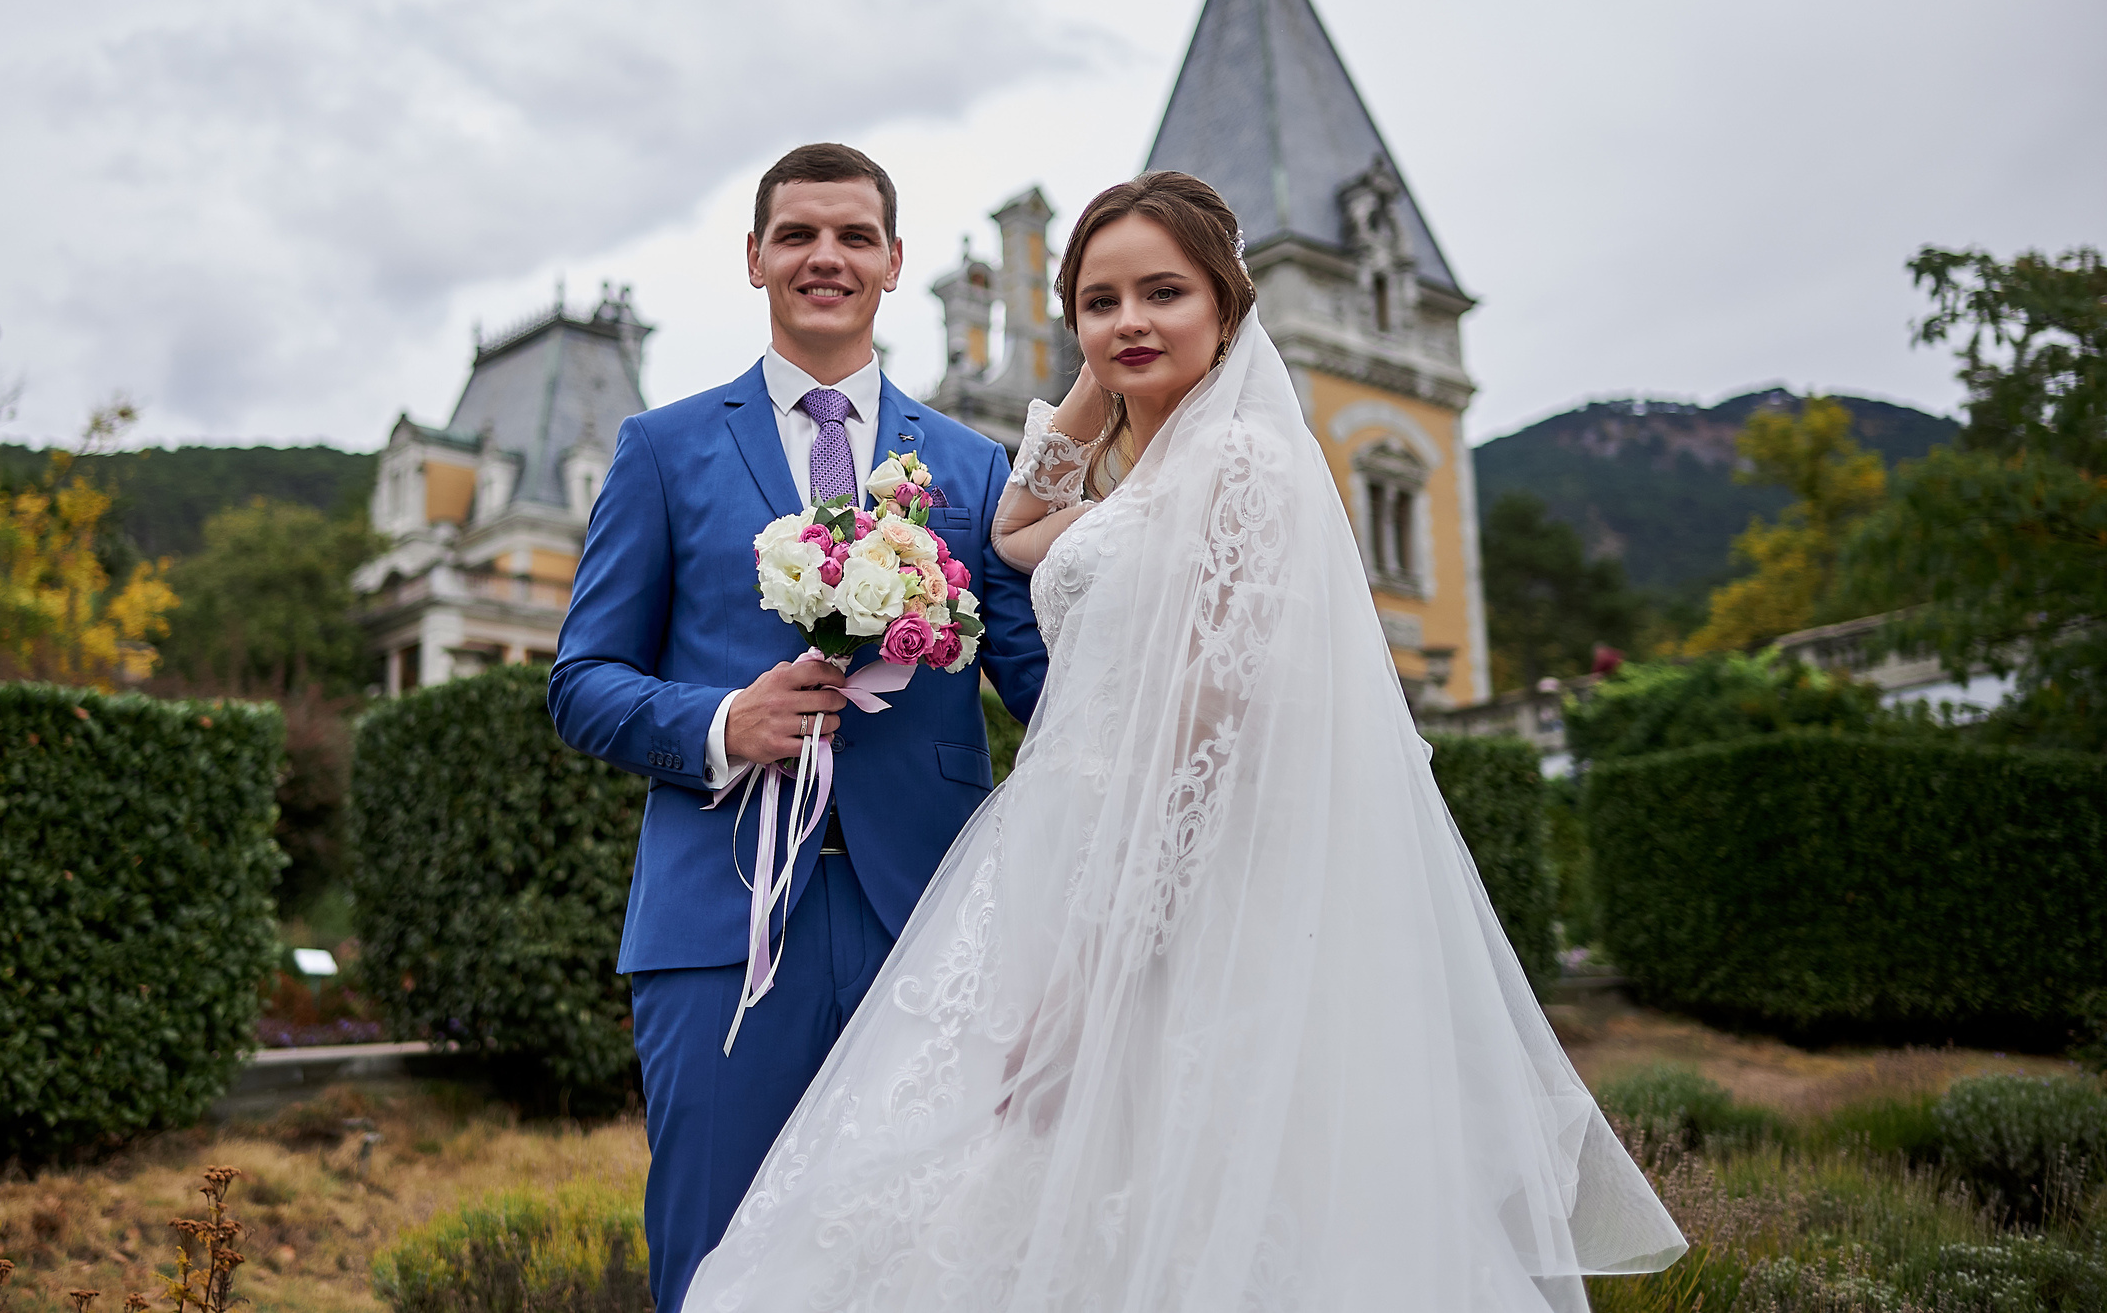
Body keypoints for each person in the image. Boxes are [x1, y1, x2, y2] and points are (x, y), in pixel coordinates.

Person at [680, 172, 1686, 1312]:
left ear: (1229, 306)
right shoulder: (1141, 480)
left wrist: (1090, 975)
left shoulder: (1243, 468)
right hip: (1061, 865)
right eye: (1100, 301)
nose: (1131, 320)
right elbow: (1013, 532)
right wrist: (1099, 377)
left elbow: (1195, 749)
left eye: (1165, 292)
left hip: (1159, 900)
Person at [548, 142, 1051, 1312]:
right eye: (798, 234)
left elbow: (1041, 682)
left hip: (925, 927)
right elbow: (582, 681)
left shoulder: (975, 469)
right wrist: (726, 716)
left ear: (891, 264)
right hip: (717, 928)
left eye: (853, 236)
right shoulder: (662, 448)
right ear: (755, 259)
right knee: (716, 1253)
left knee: (926, 1252)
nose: (825, 255)